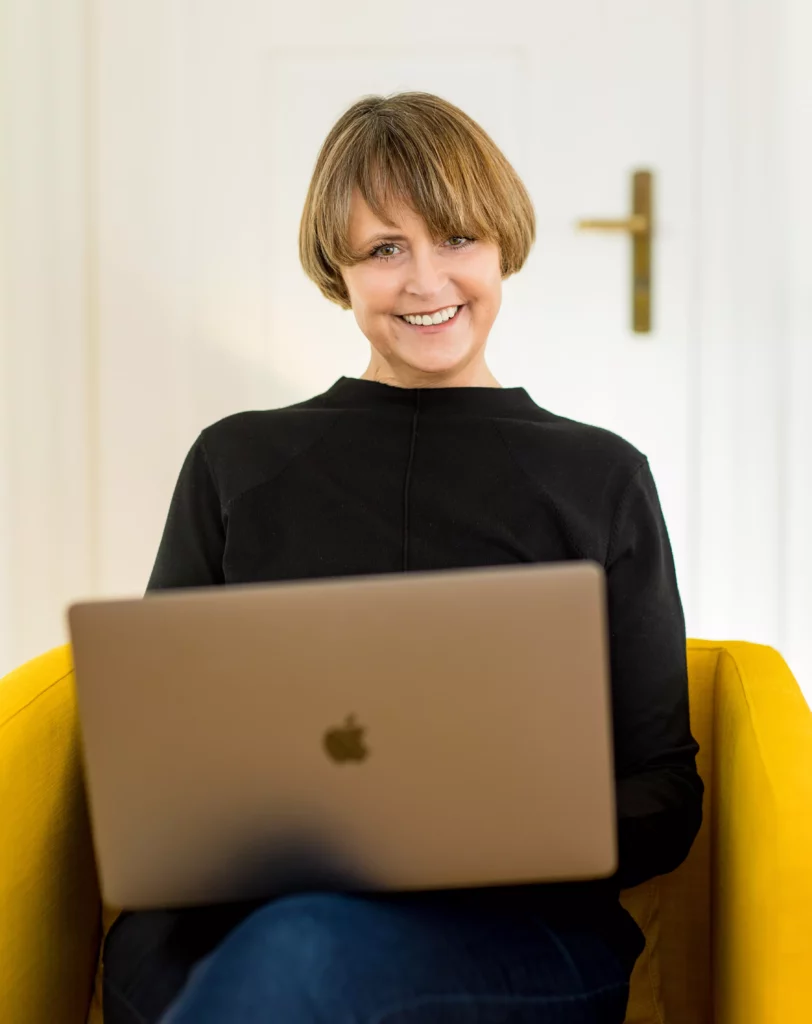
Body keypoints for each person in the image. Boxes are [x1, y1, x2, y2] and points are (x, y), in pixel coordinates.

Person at [102, 90, 704, 1024]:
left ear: (503, 244)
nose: (428, 282)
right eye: (385, 250)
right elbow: (158, 757)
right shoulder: (236, 461)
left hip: (514, 933)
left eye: (457, 238)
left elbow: (666, 793)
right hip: (235, 917)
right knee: (268, 950)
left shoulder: (603, 476)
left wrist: (486, 834)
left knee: (300, 959)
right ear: (338, 273)